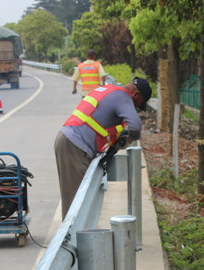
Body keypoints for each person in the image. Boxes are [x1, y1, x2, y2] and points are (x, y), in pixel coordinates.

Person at [55, 77, 152, 219]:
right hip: (75, 146)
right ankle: (70, 240)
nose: (135, 108)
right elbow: (136, 126)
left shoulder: (109, 89)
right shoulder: (123, 97)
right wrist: (127, 141)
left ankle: (73, 237)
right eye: (138, 105)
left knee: (77, 199)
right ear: (136, 95)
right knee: (75, 204)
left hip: (69, 141)